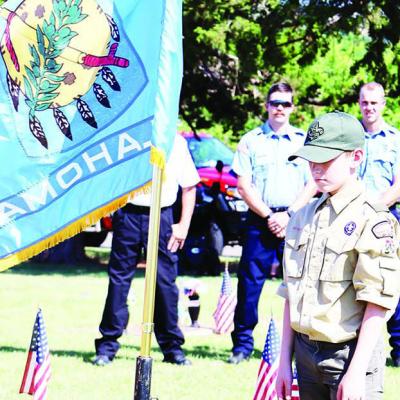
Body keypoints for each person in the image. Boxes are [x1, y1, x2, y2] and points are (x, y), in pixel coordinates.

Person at [276, 111, 400, 400]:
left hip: (350, 354)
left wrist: (356, 372)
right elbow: (291, 293)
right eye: (311, 161)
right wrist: (284, 360)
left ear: (355, 157)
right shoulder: (302, 217)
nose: (317, 170)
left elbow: (378, 303)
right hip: (305, 356)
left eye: (326, 160)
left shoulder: (373, 219)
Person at [227, 82, 316, 364]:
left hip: (296, 220)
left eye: (285, 104)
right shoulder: (251, 140)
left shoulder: (303, 142)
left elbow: (313, 183)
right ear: (266, 105)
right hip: (259, 221)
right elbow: (243, 184)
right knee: (249, 285)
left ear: (293, 108)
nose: (280, 108)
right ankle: (241, 346)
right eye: (275, 102)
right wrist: (269, 215)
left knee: (301, 285)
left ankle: (302, 348)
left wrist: (288, 215)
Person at [93, 134, 199, 366]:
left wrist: (183, 225)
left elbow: (189, 186)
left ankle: (172, 348)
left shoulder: (176, 141)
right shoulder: (129, 134)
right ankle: (107, 346)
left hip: (162, 215)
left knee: (165, 283)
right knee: (119, 280)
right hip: (129, 214)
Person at [358, 82, 400, 367]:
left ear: (383, 104)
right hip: (352, 218)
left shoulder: (395, 140)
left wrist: (375, 208)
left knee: (390, 280)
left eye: (375, 102)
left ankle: (398, 348)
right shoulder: (350, 137)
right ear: (359, 103)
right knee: (356, 281)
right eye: (365, 102)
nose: (369, 107)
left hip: (385, 218)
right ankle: (356, 346)